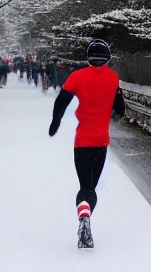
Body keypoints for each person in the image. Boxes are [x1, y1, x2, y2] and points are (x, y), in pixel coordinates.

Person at [48, 39, 125, 249]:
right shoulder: (113, 79)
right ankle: (87, 214)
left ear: (89, 57)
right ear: (107, 58)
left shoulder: (78, 77)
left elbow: (61, 101)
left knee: (83, 186)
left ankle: (83, 216)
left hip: (82, 140)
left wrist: (55, 123)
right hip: (101, 141)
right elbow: (120, 110)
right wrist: (113, 117)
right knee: (92, 188)